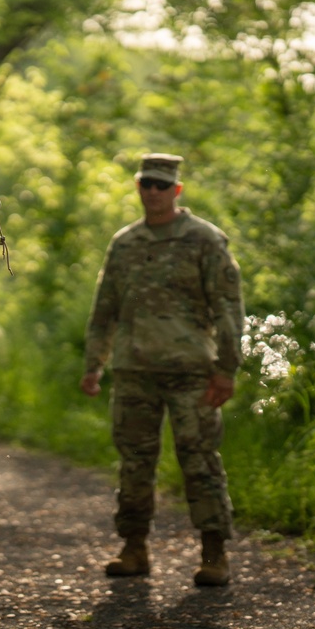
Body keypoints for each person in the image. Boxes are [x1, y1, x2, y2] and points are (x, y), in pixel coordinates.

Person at [80, 152, 244, 587]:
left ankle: (214, 553)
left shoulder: (205, 240)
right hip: (134, 370)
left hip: (192, 371)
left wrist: (226, 369)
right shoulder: (125, 243)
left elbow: (229, 308)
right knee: (134, 463)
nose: (153, 192)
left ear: (177, 190)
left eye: (161, 185)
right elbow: (105, 309)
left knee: (200, 461)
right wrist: (94, 364)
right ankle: (133, 548)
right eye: (146, 184)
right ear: (138, 187)